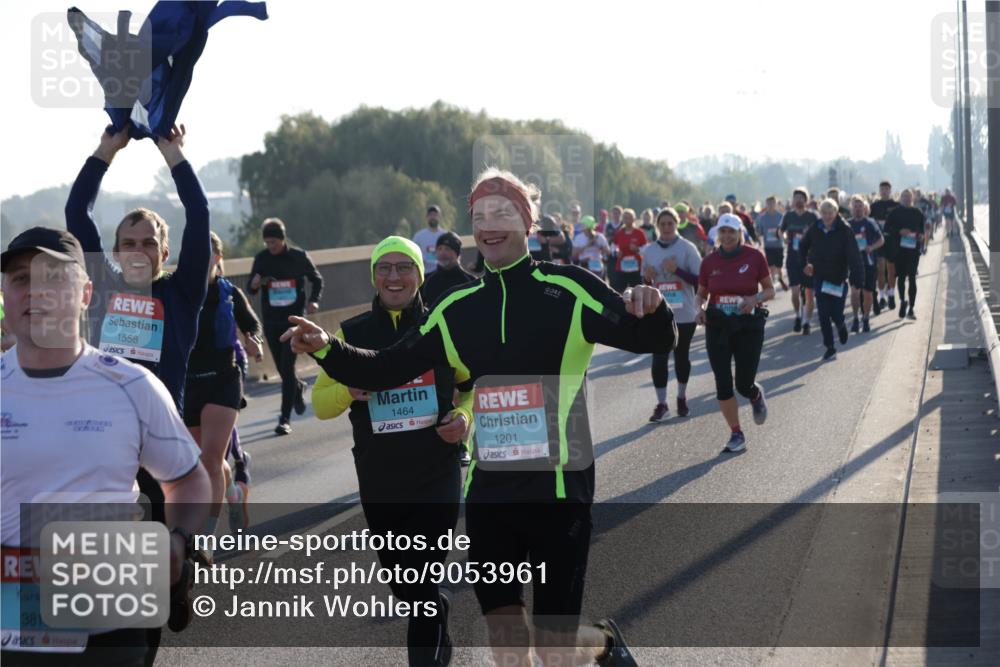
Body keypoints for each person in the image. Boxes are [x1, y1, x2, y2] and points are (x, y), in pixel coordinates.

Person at [282, 167, 675, 667]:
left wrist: (653, 307)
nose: (489, 224)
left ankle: (602, 643)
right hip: (491, 496)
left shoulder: (570, 288)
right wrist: (326, 348)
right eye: (480, 215)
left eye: (503, 212)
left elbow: (653, 339)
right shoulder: (455, 308)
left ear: (527, 222)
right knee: (509, 648)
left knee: (556, 651)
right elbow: (388, 369)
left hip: (559, 491)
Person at [0, 227, 210, 667]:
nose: (36, 292)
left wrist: (179, 541)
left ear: (86, 293)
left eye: (54, 279)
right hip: (14, 625)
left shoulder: (131, 385)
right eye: (21, 279)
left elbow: (188, 480)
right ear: (5, 293)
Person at [312, 236, 471, 666]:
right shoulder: (352, 333)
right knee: (406, 586)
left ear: (420, 276)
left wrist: (465, 420)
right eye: (385, 268)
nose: (394, 276)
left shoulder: (440, 329)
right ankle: (437, 609)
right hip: (380, 476)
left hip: (436, 470)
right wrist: (348, 390)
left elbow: (472, 387)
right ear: (374, 276)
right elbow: (320, 405)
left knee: (422, 578)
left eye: (404, 267)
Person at [184, 232, 263, 541]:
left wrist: (252, 339)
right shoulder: (180, 291)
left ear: (217, 258)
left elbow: (251, 323)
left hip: (224, 379)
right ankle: (234, 496)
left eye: (205, 254)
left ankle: (206, 537)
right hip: (189, 382)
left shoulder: (229, 293)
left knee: (212, 458)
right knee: (204, 461)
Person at [695, 214, 775, 453]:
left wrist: (754, 298)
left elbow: (769, 290)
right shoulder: (709, 262)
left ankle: (754, 394)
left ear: (740, 232)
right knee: (722, 383)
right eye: (723, 232)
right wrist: (698, 308)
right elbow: (701, 294)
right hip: (718, 326)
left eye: (732, 231)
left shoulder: (754, 256)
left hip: (748, 326)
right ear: (718, 234)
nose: (727, 236)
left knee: (742, 383)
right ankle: (736, 433)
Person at [247, 218, 323, 435]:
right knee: (283, 370)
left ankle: (284, 419)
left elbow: (316, 279)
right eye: (267, 243)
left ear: (282, 239)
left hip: (294, 320)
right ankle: (297, 387)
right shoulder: (261, 259)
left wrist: (314, 300)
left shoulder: (298, 257)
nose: (270, 247)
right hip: (271, 321)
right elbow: (251, 287)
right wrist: (253, 284)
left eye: (274, 242)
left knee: (287, 367)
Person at [642, 208, 701, 420]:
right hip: (659, 313)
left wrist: (677, 271)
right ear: (658, 226)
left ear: (676, 224)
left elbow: (700, 281)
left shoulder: (687, 248)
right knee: (659, 358)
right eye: (663, 224)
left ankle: (682, 398)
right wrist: (647, 279)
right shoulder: (649, 251)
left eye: (670, 223)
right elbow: (646, 285)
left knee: (681, 356)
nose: (666, 228)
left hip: (684, 312)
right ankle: (661, 404)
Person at [800, 200, 865, 361]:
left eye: (830, 213)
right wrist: (804, 264)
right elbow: (802, 246)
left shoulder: (844, 230)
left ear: (836, 213)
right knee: (823, 314)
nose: (827, 216)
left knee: (836, 313)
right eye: (824, 213)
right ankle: (830, 347)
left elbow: (854, 255)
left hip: (838, 279)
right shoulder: (815, 228)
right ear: (821, 214)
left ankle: (841, 325)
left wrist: (857, 276)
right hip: (821, 278)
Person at [779, 188, 819, 334]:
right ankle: (797, 315)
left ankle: (807, 321)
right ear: (793, 200)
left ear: (805, 200)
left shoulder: (813, 216)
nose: (798, 200)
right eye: (796, 198)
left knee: (809, 293)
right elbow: (780, 230)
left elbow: (820, 232)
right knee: (795, 292)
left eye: (801, 198)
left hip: (808, 260)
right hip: (792, 258)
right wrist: (783, 238)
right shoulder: (788, 216)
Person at [885, 189, 925, 320]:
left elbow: (922, 231)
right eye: (904, 196)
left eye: (909, 197)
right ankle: (903, 301)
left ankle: (912, 309)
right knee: (901, 278)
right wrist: (899, 231)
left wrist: (919, 237)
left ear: (912, 198)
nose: (907, 199)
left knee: (912, 278)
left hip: (913, 251)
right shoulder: (894, 213)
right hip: (899, 250)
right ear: (900, 198)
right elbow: (887, 229)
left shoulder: (917, 212)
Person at [847, 196, 884, 333]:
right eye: (855, 206)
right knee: (855, 292)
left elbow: (881, 240)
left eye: (860, 206)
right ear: (851, 208)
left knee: (868, 293)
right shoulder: (847, 224)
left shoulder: (870, 223)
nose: (858, 208)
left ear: (864, 208)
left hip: (869, 262)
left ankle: (866, 318)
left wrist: (871, 247)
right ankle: (856, 318)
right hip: (854, 264)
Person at [421, 230, 476, 305]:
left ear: (457, 253)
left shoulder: (471, 281)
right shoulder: (426, 281)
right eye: (439, 249)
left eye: (447, 249)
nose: (442, 253)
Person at [869, 181, 900, 312]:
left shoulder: (896, 205)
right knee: (881, 269)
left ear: (890, 190)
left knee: (891, 269)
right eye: (882, 189)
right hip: (879, 241)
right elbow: (869, 223)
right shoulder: (874, 206)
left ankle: (891, 294)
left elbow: (900, 222)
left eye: (887, 189)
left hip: (892, 241)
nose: (884, 191)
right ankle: (882, 296)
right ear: (879, 191)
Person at [756, 195, 788, 290]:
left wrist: (785, 237)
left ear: (775, 204)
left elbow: (784, 230)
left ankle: (780, 278)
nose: (770, 205)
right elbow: (760, 231)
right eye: (768, 203)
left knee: (779, 266)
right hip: (768, 245)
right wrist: (758, 235)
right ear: (766, 204)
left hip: (779, 245)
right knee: (771, 266)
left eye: (772, 203)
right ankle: (772, 284)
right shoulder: (762, 217)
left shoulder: (780, 216)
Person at [612, 209, 648, 292]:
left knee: (637, 291)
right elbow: (613, 246)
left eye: (629, 218)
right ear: (622, 219)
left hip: (636, 268)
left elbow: (646, 249)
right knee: (620, 292)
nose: (627, 220)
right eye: (625, 218)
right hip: (622, 268)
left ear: (634, 219)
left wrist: (637, 249)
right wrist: (616, 252)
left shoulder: (639, 233)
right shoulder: (619, 233)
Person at [413, 205, 445, 274]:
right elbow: (413, 254)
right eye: (430, 215)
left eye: (435, 215)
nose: (433, 217)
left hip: (442, 273)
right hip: (424, 274)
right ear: (426, 217)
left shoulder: (445, 236)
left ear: (439, 217)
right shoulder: (419, 236)